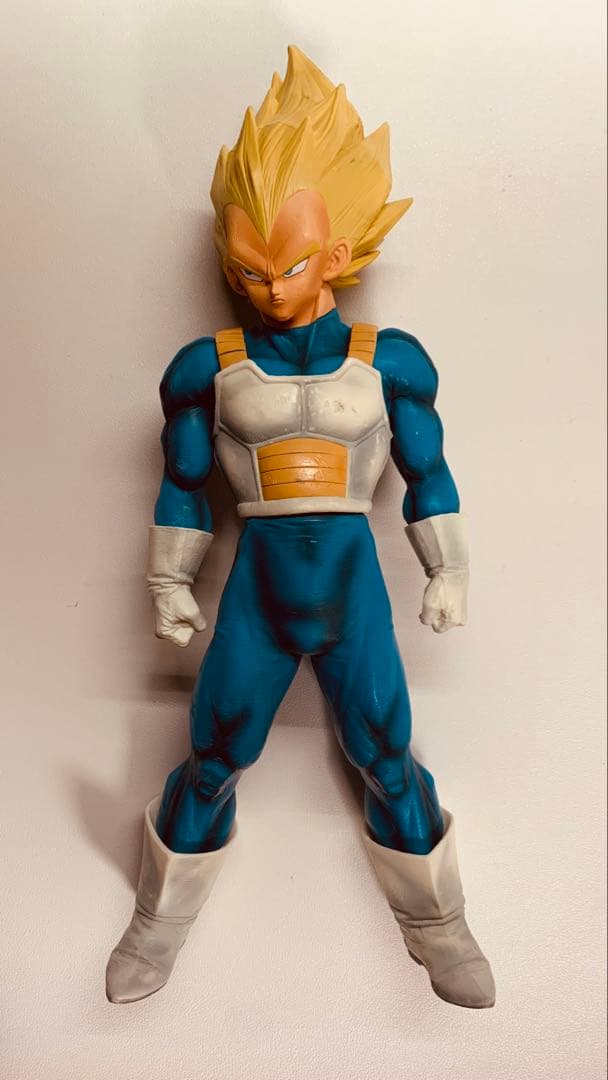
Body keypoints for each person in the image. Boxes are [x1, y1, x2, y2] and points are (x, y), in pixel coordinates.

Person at [106, 46, 495, 1010]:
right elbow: (182, 482)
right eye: (245, 268)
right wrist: (166, 582)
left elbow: (429, 470)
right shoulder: (207, 365)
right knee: (214, 755)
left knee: (388, 755)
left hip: (353, 593)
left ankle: (439, 921)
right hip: (260, 596)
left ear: (337, 255)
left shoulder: (390, 360)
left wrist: (448, 568)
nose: (268, 288)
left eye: (287, 266)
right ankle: (159, 917)